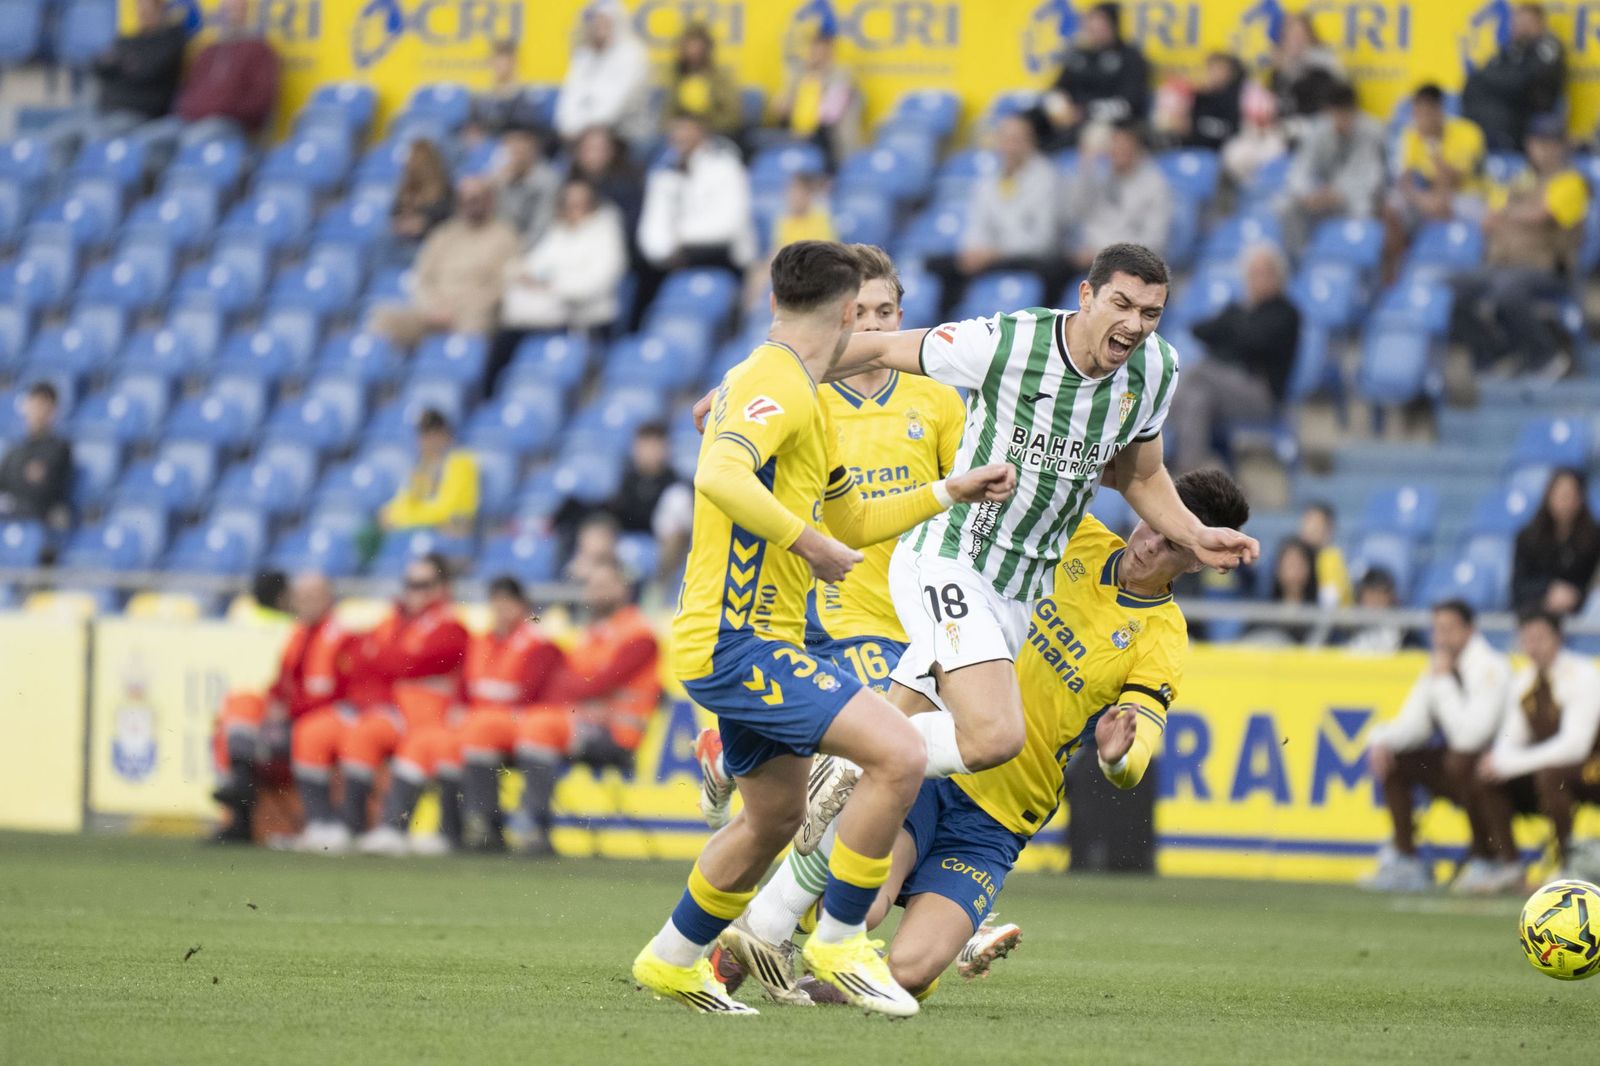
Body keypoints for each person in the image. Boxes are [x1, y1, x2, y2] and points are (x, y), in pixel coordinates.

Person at [629, 241, 1017, 1016]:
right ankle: (841, 940)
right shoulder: (773, 381)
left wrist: (949, 489)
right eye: (865, 314)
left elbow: (854, 517)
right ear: (848, 316)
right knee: (901, 752)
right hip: (740, 640)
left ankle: (671, 957)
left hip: (762, 638)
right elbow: (718, 472)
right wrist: (807, 542)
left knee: (775, 817)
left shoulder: (803, 391)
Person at [771, 242, 1259, 857]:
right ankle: (841, 762)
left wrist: (1193, 533)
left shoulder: (1155, 370)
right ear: (1086, 296)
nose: (1135, 324)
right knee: (991, 736)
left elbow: (1140, 474)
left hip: (1018, 593)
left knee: (868, 788)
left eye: (1151, 312)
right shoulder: (1007, 342)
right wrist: (758, 386)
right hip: (953, 556)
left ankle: (773, 925)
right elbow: (877, 348)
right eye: (1122, 303)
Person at [710, 471, 1251, 1006]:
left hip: (999, 819)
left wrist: (1116, 759)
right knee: (860, 908)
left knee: (911, 969)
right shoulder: (1075, 538)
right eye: (1155, 523)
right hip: (937, 767)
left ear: (1200, 557)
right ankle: (764, 927)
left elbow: (1137, 750)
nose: (1150, 543)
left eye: (1173, 544)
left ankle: (833, 957)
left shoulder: (1163, 636)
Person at [695, 241, 965, 875]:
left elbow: (962, 508)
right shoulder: (806, 394)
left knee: (806, 799)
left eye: (887, 311)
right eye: (862, 311)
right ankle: (827, 931)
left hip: (909, 617)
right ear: (842, 315)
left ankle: (726, 758)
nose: (873, 326)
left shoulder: (939, 401)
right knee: (874, 764)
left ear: (903, 317)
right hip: (830, 613)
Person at [465, 559, 661, 856]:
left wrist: (578, 691)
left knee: (540, 725)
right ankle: (486, 828)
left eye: (605, 585)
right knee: (483, 727)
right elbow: (565, 684)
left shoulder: (640, 634)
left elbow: (595, 684)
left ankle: (534, 828)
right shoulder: (591, 633)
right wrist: (578, 693)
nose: (597, 592)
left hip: (615, 733)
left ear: (624, 588)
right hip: (578, 723)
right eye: (593, 585)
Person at [360, 575, 564, 857]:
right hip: (479, 721)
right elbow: (464, 687)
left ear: (522, 606)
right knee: (424, 742)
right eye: (496, 603)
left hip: (513, 724)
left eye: (508, 603)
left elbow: (531, 694)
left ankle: (457, 830)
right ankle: (393, 827)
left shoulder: (539, 643)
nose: (501, 610)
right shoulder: (481, 642)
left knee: (460, 740)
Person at [292, 554, 470, 853]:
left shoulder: (451, 627)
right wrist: (383, 658)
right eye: (410, 583)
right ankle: (322, 824)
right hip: (386, 709)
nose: (414, 591)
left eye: (424, 584)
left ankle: (363, 825)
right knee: (311, 733)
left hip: (421, 717)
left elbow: (409, 664)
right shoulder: (392, 621)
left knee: (366, 734)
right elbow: (362, 661)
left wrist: (380, 655)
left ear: (442, 587)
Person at [1363, 600, 1512, 893]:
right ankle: (1406, 857)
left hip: (1497, 775)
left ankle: (1486, 857)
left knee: (1463, 761)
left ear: (1468, 631)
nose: (1440, 638)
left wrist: (1443, 681)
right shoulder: (1439, 664)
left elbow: (1470, 738)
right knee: (1397, 760)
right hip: (1459, 771)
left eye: (1448, 630)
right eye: (1437, 630)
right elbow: (1412, 725)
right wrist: (1380, 740)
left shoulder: (1492, 668)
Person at [210, 574, 355, 844]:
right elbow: (282, 684)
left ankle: (242, 795)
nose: (305, 604)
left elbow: (332, 695)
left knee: (254, 729)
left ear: (328, 599)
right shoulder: (300, 634)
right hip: (289, 722)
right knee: (240, 703)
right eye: (301, 598)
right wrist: (274, 702)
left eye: (312, 597)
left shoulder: (338, 637)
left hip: (310, 725)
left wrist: (287, 709)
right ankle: (238, 802)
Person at [1450, 117, 1590, 378]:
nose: (1546, 150)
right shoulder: (1522, 180)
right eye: (1540, 143)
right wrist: (1501, 214)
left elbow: (1542, 214)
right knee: (1453, 288)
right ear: (1530, 146)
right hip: (1506, 265)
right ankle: (1497, 353)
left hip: (1550, 268)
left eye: (1553, 143)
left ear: (1563, 147)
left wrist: (1506, 214)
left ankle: (1547, 356)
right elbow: (1490, 215)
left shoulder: (1571, 181)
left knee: (1506, 289)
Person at [1477, 610, 1600, 887]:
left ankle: (1565, 864)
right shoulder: (1524, 682)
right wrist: (1498, 762)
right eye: (1527, 638)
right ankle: (1509, 864)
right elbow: (1511, 739)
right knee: (1486, 773)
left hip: (1591, 767)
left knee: (1550, 776)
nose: (1533, 646)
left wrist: (1510, 764)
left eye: (1540, 637)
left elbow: (1575, 746)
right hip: (1555, 769)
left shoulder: (1583, 674)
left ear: (1558, 638)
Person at [1173, 243, 1300, 473]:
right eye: (1252, 274)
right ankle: (1189, 472)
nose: (1256, 280)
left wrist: (1232, 327)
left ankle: (1159, 417)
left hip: (1263, 395)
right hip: (1227, 389)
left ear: (1278, 276)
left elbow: (1254, 342)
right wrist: (1234, 326)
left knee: (1198, 370)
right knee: (1197, 398)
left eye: (1263, 273)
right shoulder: (1241, 311)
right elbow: (1201, 330)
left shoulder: (1286, 313)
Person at [927, 113, 1062, 318]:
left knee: (1052, 271)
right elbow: (976, 226)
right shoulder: (987, 181)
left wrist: (997, 252)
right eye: (1005, 138)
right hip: (992, 256)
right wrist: (974, 250)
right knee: (937, 265)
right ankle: (943, 329)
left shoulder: (1047, 178)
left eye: (1016, 139)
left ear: (1030, 142)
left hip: (1027, 257)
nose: (1010, 145)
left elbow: (1044, 239)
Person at [368, 177, 521, 348]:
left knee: (472, 331)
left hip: (471, 314)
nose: (470, 204)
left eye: (475, 199)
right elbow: (421, 278)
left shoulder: (504, 237)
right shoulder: (443, 234)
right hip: (433, 310)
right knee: (383, 318)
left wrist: (457, 309)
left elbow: (502, 285)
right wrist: (433, 307)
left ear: (489, 200)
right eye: (464, 199)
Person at [634, 114, 753, 327]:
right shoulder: (662, 174)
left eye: (687, 128)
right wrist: (667, 250)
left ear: (701, 131)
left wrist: (681, 238)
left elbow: (728, 225)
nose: (682, 135)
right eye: (677, 129)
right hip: (671, 263)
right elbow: (651, 231)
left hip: (722, 260)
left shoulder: (726, 167)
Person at [494, 177, 626, 347]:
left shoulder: (605, 234)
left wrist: (551, 284)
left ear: (592, 205)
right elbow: (533, 266)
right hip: (547, 313)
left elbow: (596, 283)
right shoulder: (558, 232)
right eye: (567, 204)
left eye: (579, 204)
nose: (572, 210)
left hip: (587, 319)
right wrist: (537, 278)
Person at [1381, 85, 1488, 279]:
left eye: (1427, 112)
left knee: (1443, 207)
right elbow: (1405, 179)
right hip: (1426, 195)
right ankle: (1395, 276)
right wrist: (1421, 199)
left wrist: (1432, 145)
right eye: (1417, 113)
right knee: (1391, 206)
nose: (1421, 119)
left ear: (1439, 111)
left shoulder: (1468, 132)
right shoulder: (1411, 134)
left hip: (1465, 196)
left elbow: (1454, 181)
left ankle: (1446, 272)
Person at [1277, 82, 1387, 251]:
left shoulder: (1371, 131)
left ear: (1354, 111)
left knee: (1364, 208)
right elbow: (1300, 169)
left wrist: (1337, 192)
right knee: (1286, 206)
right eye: (1335, 114)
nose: (1340, 120)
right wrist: (1309, 193)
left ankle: (1353, 259)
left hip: (1354, 196)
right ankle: (1301, 259)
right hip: (1322, 197)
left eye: (1345, 114)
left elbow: (1371, 177)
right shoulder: (1318, 129)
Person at [1033, 2, 1151, 149]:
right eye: (1089, 22)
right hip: (1071, 122)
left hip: (1108, 125)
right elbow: (1057, 90)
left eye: (1098, 22)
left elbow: (1129, 104)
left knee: (1095, 135)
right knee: (1030, 123)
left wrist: (1086, 112)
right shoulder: (1078, 56)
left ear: (1112, 24)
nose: (1091, 27)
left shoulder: (1130, 57)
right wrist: (1059, 107)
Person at [1064, 122, 1173, 272]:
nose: (1119, 151)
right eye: (1114, 145)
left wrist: (1104, 253)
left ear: (1138, 149)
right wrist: (1086, 167)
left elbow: (1155, 240)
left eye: (1125, 147)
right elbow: (1074, 212)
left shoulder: (1154, 185)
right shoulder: (1098, 175)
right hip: (1090, 257)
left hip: (1131, 262)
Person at [1462, 1, 1566, 153]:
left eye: (1526, 23)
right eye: (1517, 23)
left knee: (1497, 115)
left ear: (1539, 24)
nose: (1520, 28)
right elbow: (1479, 77)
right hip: (1507, 108)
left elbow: (1523, 81)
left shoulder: (1548, 46)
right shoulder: (1511, 49)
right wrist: (1501, 79)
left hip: (1531, 114)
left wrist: (1500, 79)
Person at [599, 422, 694, 583]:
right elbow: (615, 514)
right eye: (644, 445)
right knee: (597, 529)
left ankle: (660, 585)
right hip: (625, 546)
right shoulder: (627, 481)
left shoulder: (676, 484)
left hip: (661, 551)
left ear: (665, 448)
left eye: (654, 446)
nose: (649, 452)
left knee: (678, 502)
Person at [173, 0, 280, 138]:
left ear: (246, 13)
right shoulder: (208, 51)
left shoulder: (260, 50)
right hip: (190, 120)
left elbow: (260, 100)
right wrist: (189, 110)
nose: (229, 15)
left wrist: (223, 110)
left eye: (235, 10)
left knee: (191, 140)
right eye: (226, 10)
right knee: (147, 140)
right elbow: (188, 88)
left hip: (231, 123)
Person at [554, 0, 651, 146]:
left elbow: (613, 108)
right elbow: (568, 100)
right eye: (594, 23)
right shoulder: (584, 56)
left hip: (627, 134)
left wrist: (581, 129)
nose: (596, 28)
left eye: (603, 23)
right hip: (581, 135)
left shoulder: (633, 55)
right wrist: (569, 127)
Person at [379, 409, 479, 538]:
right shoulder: (421, 466)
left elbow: (448, 510)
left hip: (448, 533)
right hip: (418, 528)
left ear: (444, 434)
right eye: (422, 434)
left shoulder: (461, 462)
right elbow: (404, 500)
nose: (426, 440)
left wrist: (406, 518)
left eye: (432, 433)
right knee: (369, 532)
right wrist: (391, 513)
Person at [1513, 469, 1600, 615]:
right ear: (1549, 495)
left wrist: (1575, 595)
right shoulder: (1528, 537)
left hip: (1582, 612)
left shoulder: (1595, 537)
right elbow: (1519, 585)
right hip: (1537, 610)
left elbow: (1594, 584)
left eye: (1571, 495)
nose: (1565, 501)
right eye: (1560, 494)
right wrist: (1548, 590)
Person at [772, 26, 859, 168]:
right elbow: (780, 107)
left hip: (829, 139)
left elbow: (829, 115)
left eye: (818, 48)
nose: (813, 52)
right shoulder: (799, 74)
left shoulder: (842, 75)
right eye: (811, 48)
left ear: (829, 50)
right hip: (798, 135)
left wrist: (812, 85)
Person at [93, 0, 189, 125]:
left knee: (95, 136)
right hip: (106, 108)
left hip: (140, 113)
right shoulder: (128, 39)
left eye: (147, 8)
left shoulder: (171, 39)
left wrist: (119, 64)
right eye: (139, 8)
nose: (142, 13)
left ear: (160, 9)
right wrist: (124, 63)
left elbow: (146, 71)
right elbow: (100, 67)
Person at [0, 382, 72, 533]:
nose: (37, 410)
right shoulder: (16, 448)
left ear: (53, 410)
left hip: (37, 518)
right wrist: (22, 475)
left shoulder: (59, 447)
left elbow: (40, 490)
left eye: (43, 405)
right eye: (34, 403)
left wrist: (18, 480)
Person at [569, 126, 645, 254]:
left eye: (601, 149)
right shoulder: (570, 183)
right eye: (590, 149)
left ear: (613, 151)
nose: (596, 155)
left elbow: (629, 231)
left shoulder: (628, 185)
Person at [664, 23, 742, 141]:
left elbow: (732, 117)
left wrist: (703, 126)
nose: (693, 51)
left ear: (707, 48)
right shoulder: (676, 77)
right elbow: (667, 113)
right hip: (680, 136)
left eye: (697, 46)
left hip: (714, 134)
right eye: (689, 45)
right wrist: (675, 126)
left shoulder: (721, 78)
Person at [1267, 12, 1343, 126]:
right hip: (1286, 128)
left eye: (1300, 36)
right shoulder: (1280, 70)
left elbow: (1320, 105)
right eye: (1290, 36)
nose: (1296, 41)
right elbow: (1275, 104)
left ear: (1310, 37)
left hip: (1316, 127)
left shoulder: (1322, 68)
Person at [1244, 538, 1322, 646]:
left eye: (1298, 564)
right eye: (1289, 564)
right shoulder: (1264, 612)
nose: (1293, 571)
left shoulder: (1318, 613)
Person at [465, 40, 545, 142]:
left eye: (505, 61)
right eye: (496, 60)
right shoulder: (481, 98)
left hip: (515, 146)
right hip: (486, 147)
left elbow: (527, 129)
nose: (499, 66)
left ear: (514, 62)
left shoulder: (525, 97)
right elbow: (472, 127)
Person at [490, 127, 561, 241]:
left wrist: (514, 251)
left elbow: (541, 229)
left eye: (521, 149)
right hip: (505, 244)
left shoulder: (548, 180)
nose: (516, 154)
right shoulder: (501, 179)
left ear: (533, 149)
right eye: (512, 149)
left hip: (536, 248)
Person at [1221, 80, 1288, 191]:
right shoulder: (1236, 147)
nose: (1262, 125)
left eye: (1266, 119)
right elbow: (1235, 170)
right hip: (1248, 195)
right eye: (1258, 120)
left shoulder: (1281, 140)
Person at [1339, 569, 1424, 655]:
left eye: (1381, 594)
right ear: (1361, 596)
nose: (1376, 600)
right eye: (1371, 594)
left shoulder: (1405, 633)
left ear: (1391, 597)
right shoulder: (1346, 628)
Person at [389, 139, 455, 247]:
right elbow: (394, 215)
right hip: (402, 242)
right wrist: (402, 224)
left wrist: (424, 224)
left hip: (429, 244)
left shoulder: (444, 190)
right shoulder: (405, 188)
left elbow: (447, 221)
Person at [1297, 501, 1351, 607]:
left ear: (1329, 527)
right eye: (1306, 521)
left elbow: (1330, 602)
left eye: (1314, 523)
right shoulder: (1306, 557)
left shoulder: (1329, 557)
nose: (1307, 528)